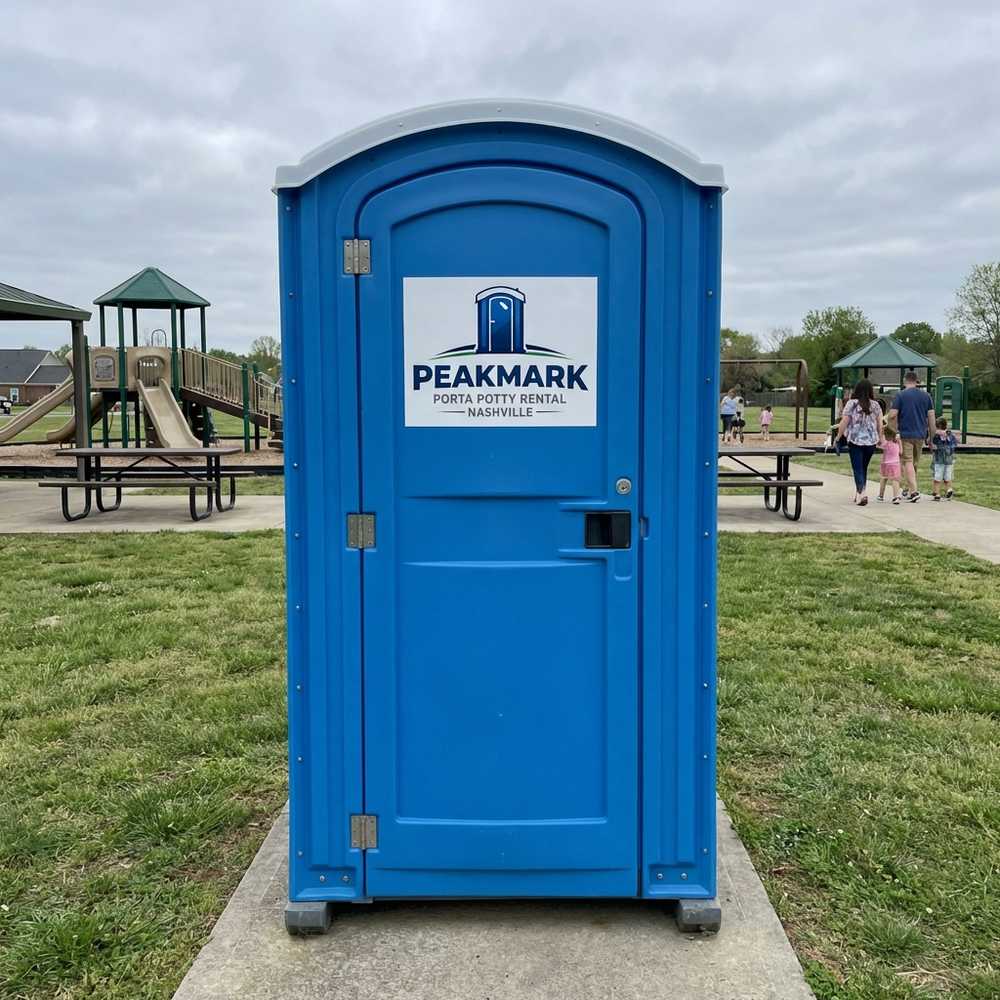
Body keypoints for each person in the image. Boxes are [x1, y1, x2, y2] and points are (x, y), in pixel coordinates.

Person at [889, 371, 935, 502]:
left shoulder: (900, 395)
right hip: (920, 434)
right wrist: (932, 439)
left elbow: (892, 415)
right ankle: (910, 490)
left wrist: (891, 429)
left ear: (905, 381)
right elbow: (931, 418)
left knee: (907, 462)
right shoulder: (926, 396)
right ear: (917, 381)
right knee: (914, 463)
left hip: (905, 434)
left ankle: (914, 491)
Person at [836, 378, 884, 506]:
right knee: (863, 467)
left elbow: (844, 422)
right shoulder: (876, 405)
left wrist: (838, 437)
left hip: (855, 440)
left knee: (857, 468)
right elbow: (880, 424)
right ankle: (859, 493)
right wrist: (880, 438)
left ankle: (862, 494)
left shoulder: (852, 404)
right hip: (871, 441)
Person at [930, 417, 958, 500]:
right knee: (948, 477)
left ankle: (937, 494)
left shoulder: (937, 436)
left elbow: (933, 444)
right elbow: (954, 445)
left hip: (939, 459)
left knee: (937, 477)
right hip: (949, 460)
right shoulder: (950, 435)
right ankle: (949, 489)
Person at [876, 425, 902, 504]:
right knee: (895, 480)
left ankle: (881, 496)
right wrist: (899, 442)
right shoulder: (897, 442)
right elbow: (901, 452)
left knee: (884, 478)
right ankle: (896, 497)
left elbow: (877, 445)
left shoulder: (885, 443)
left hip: (885, 463)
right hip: (895, 463)